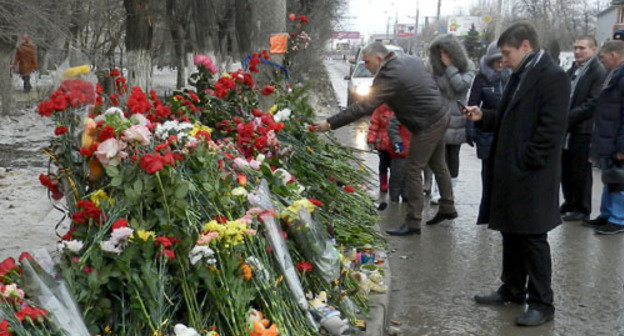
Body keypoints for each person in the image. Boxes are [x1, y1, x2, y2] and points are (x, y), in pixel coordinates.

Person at [463, 22, 570, 326]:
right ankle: (512, 289)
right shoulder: (519, 75)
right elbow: (511, 117)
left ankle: (542, 303)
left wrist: (526, 161)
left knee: (533, 238)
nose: (504, 59)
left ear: (525, 46)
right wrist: (483, 115)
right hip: (511, 169)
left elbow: (551, 129)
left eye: (507, 53)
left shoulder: (553, 77)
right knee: (511, 232)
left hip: (532, 173)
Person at [312, 42, 457, 235]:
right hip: (440, 114)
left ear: (379, 59)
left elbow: (363, 107)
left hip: (427, 123)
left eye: (367, 62)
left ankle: (413, 222)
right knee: (438, 163)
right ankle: (448, 207)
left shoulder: (389, 75)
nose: (367, 66)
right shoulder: (410, 60)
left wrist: (330, 123)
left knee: (412, 169)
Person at [560, 36, 606, 222]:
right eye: (575, 47)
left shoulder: (597, 71)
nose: (577, 51)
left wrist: (567, 117)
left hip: (584, 129)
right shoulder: (573, 69)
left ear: (593, 50)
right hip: (568, 129)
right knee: (566, 167)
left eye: (582, 48)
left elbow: (593, 102)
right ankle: (570, 202)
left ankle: (582, 208)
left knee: (580, 170)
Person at [466, 41, 511, 224]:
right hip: (488, 131)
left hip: (507, 131)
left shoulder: (512, 76)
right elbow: (473, 102)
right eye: (496, 61)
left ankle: (503, 210)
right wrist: (470, 129)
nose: (500, 64)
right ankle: (488, 211)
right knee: (489, 173)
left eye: (502, 60)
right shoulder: (482, 77)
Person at [427, 34, 475, 204]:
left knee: (453, 155)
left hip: (457, 118)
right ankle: (437, 188)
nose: (443, 57)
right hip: (439, 116)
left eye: (446, 53)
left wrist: (450, 68)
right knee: (438, 156)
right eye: (440, 53)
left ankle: (448, 191)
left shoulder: (468, 67)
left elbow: (460, 86)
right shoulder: (434, 68)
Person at [585, 40, 624, 235]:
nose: (602, 62)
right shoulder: (614, 74)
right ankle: (606, 214)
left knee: (619, 180)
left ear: (614, 56)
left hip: (617, 140)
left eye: (603, 58)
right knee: (610, 177)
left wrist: (622, 147)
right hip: (609, 136)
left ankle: (619, 219)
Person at [366, 104, 410, 201]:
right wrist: (371, 140)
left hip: (395, 144)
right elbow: (374, 125)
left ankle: (396, 187)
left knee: (396, 167)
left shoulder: (401, 109)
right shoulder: (380, 109)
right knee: (383, 164)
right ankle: (383, 183)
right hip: (383, 143)